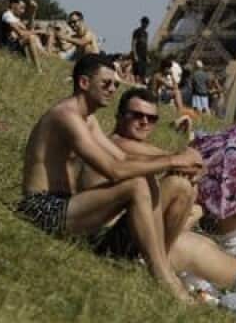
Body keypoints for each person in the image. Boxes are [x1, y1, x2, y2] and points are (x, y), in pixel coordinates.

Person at [18, 54, 204, 301]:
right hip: (42, 209)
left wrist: (182, 163)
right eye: (106, 83)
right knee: (137, 183)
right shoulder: (66, 117)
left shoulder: (89, 119)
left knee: (147, 179)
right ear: (84, 83)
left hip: (68, 206)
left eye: (116, 84)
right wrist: (172, 161)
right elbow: (113, 170)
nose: (113, 89)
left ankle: (158, 267)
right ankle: (165, 278)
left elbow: (123, 159)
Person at [79, 88, 198, 252]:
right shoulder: (116, 144)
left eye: (151, 118)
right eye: (137, 115)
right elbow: (179, 160)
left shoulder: (138, 146)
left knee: (192, 194)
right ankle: (160, 257)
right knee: (179, 185)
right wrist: (191, 159)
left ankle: (159, 256)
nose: (144, 122)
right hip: (103, 238)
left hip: (123, 230)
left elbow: (187, 164)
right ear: (119, 116)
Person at [0, 0, 49, 72]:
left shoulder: (14, 17)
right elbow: (21, 33)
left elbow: (28, 29)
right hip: (6, 45)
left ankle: (43, 59)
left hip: (13, 44)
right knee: (31, 38)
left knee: (32, 37)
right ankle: (38, 69)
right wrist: (38, 31)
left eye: (24, 8)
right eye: (21, 8)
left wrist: (33, 11)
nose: (23, 11)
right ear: (13, 5)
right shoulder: (7, 15)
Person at [130, 17, 150, 86]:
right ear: (142, 23)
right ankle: (136, 85)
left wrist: (147, 56)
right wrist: (135, 54)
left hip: (144, 55)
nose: (146, 25)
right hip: (138, 55)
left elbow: (146, 45)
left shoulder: (146, 33)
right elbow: (133, 43)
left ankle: (141, 85)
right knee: (137, 72)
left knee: (143, 73)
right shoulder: (137, 31)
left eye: (147, 23)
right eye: (145, 23)